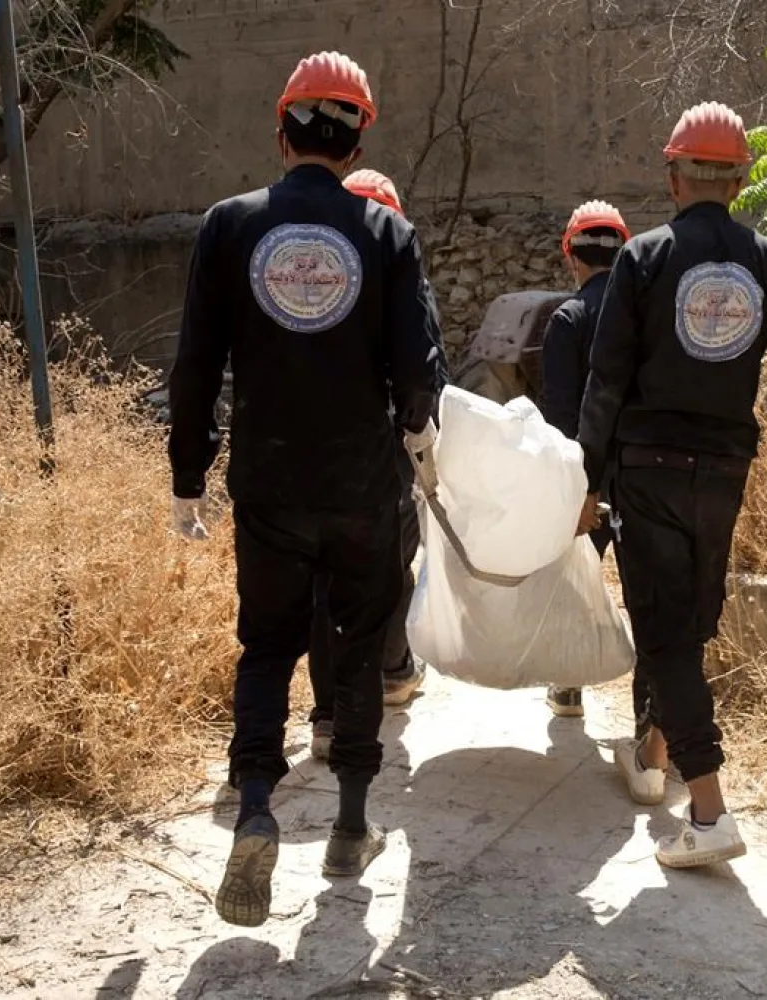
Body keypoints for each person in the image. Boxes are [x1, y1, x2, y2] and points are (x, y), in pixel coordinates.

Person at [168, 51, 446, 926]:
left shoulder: (228, 225)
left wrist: (188, 477)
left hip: (270, 485)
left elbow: (194, 369)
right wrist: (420, 441)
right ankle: (349, 830)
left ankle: (255, 804)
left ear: (280, 129)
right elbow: (419, 371)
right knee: (360, 651)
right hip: (364, 489)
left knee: (266, 648)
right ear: (358, 134)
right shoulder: (386, 234)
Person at [576, 101, 767, 868]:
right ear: (741, 178)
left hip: (647, 467)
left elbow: (606, 379)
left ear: (674, 177)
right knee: (689, 622)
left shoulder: (644, 258)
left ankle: (712, 814)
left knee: (665, 633)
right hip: (724, 470)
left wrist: (586, 480)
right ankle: (652, 759)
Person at [306, 168, 427, 763]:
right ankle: (393, 673)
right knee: (387, 576)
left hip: (311, 457)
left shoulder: (306, 275)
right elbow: (425, 373)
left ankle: (327, 717)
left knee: (323, 587)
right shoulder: (399, 269)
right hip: (383, 464)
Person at [537, 200, 631, 719]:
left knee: (574, 578)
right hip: (640, 474)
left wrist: (573, 487)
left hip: (584, 480)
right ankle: (655, 711)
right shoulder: (642, 318)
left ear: (571, 255)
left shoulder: (567, 320)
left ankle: (568, 686)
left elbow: (559, 413)